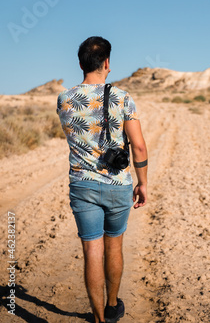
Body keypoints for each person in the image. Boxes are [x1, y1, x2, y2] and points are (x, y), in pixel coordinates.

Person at [57, 36, 148, 323]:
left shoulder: (64, 99)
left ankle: (97, 318)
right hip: (117, 186)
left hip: (82, 186)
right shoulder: (123, 97)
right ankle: (111, 305)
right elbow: (140, 146)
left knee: (91, 250)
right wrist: (142, 182)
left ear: (81, 63)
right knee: (114, 245)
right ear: (107, 62)